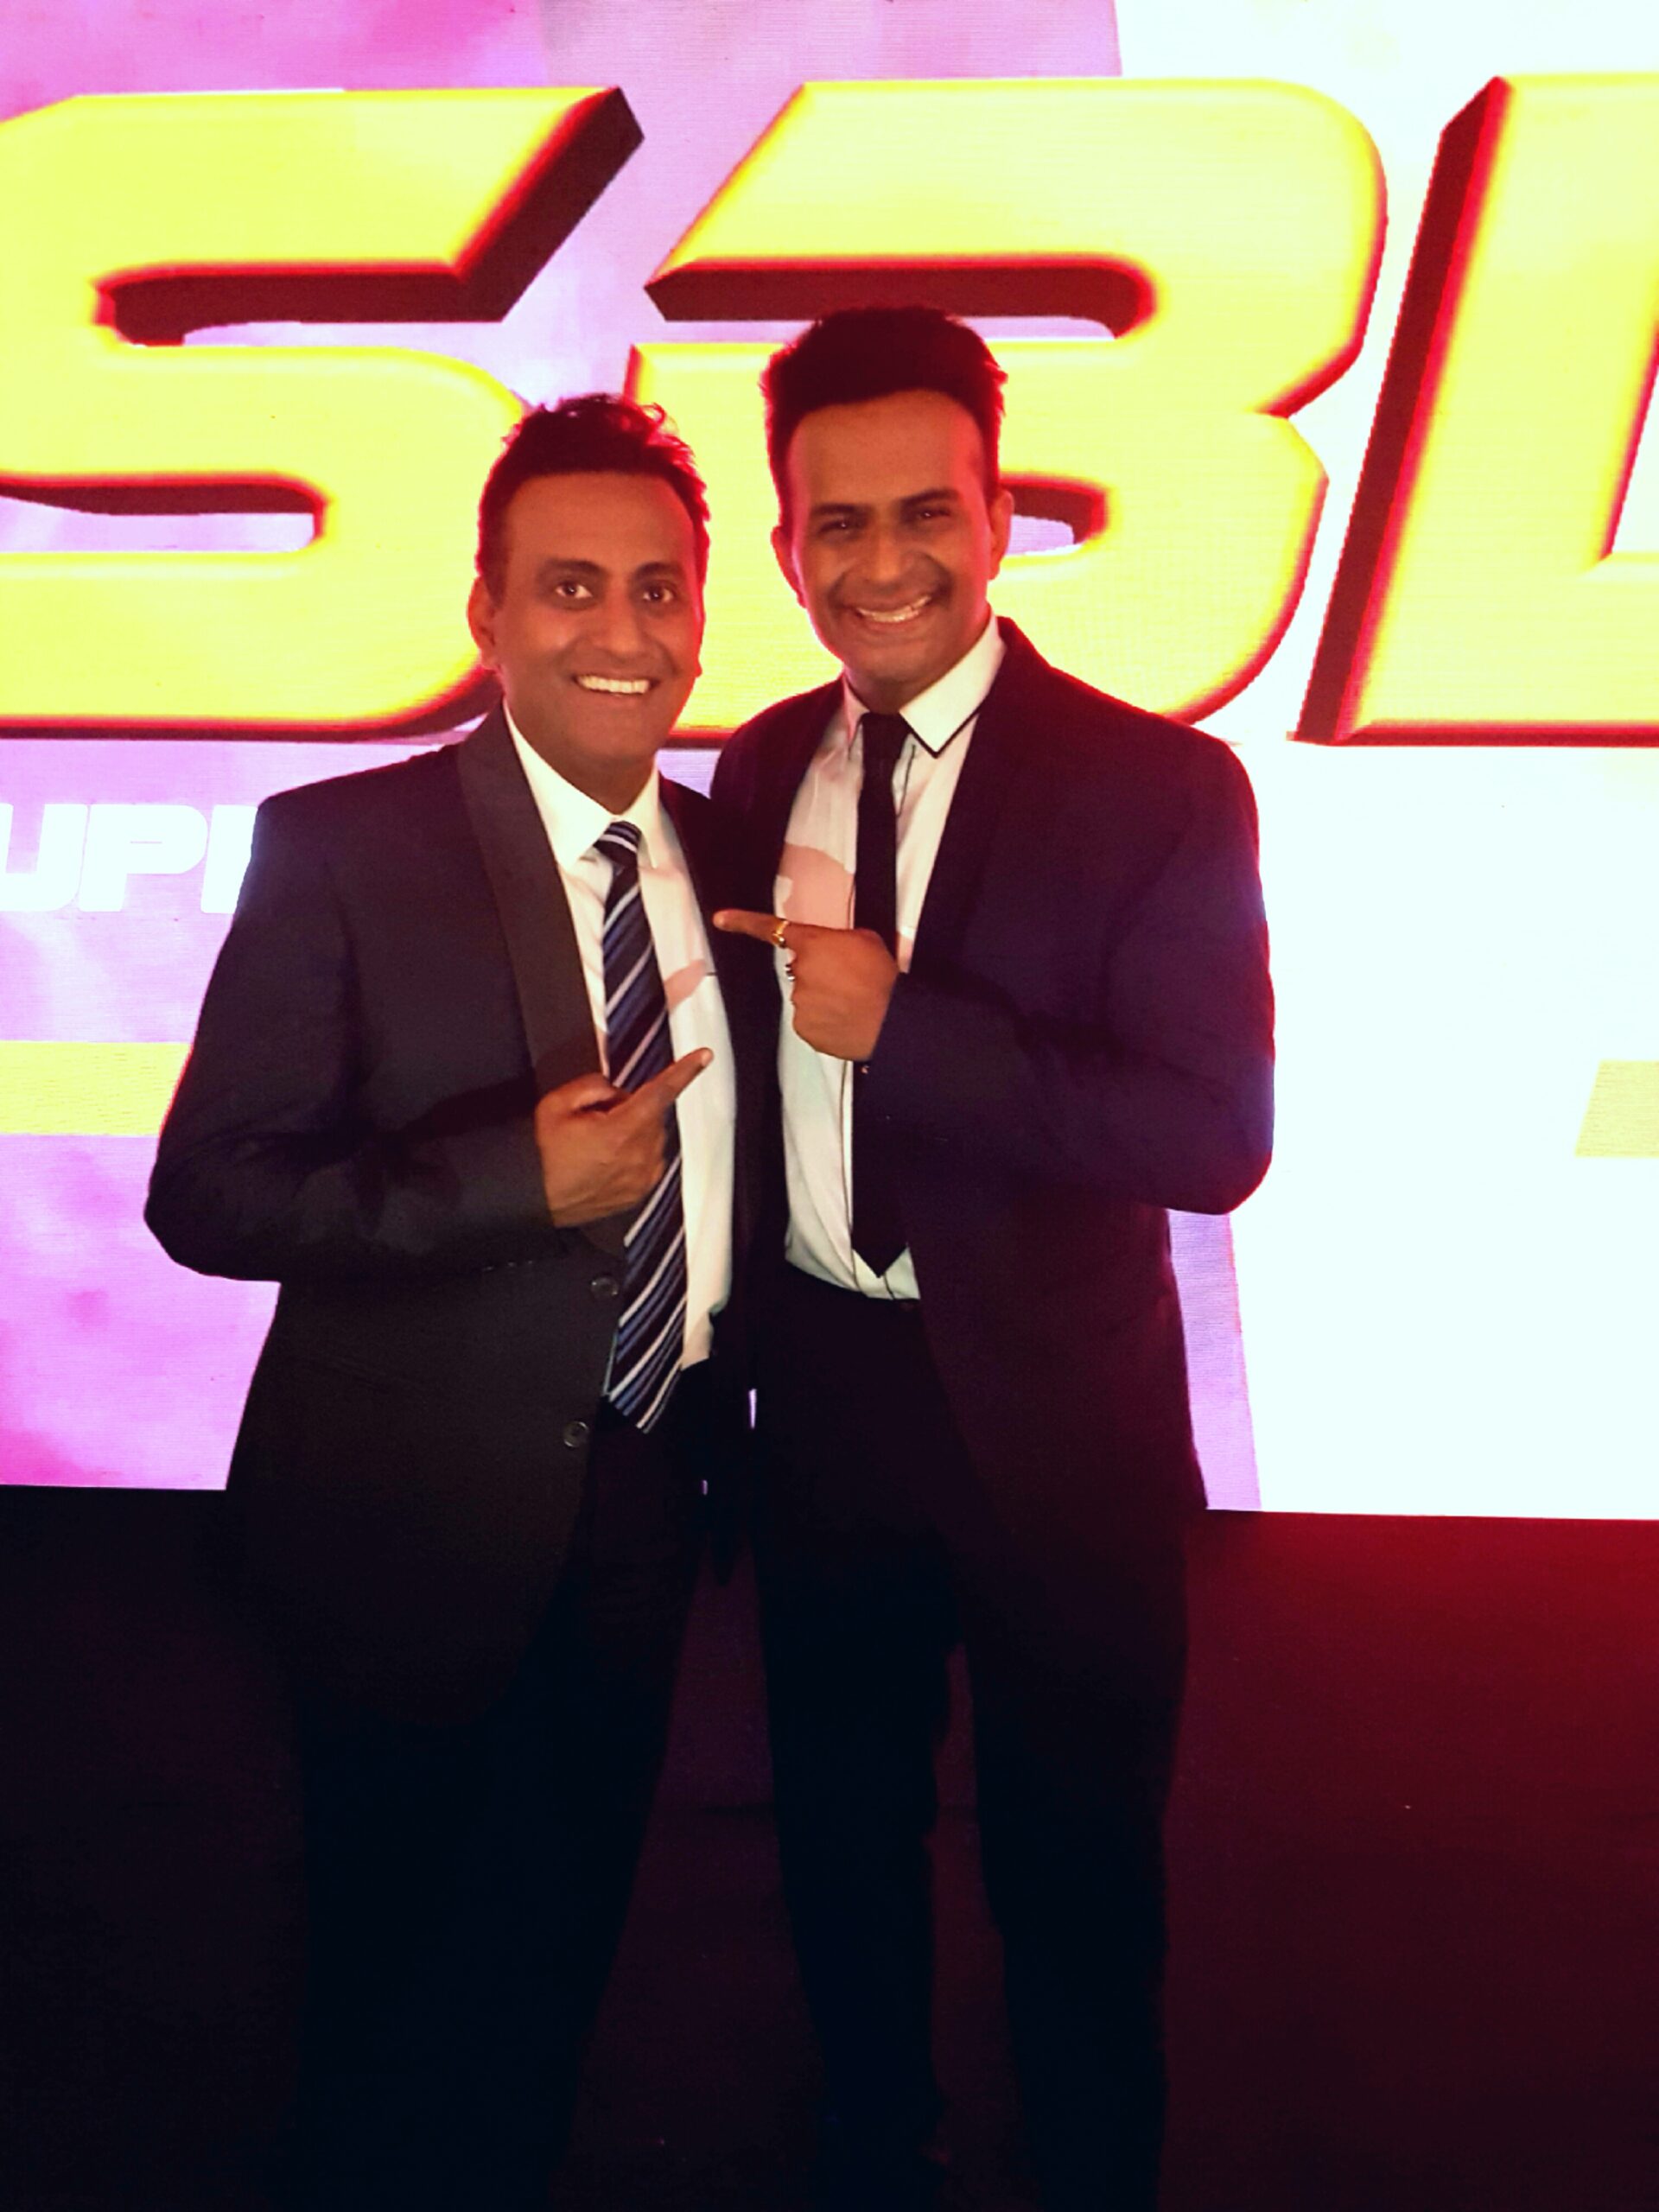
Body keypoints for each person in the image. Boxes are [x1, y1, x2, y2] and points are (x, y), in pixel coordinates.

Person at [146, 395, 761, 2212]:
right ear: (486, 611)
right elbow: (208, 1192)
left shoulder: (739, 862)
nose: (621, 630)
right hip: (399, 1521)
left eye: (658, 587)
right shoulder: (341, 846)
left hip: (649, 1496)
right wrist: (509, 1181)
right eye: (570, 585)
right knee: (377, 1980)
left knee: (568, 1962)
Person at [711, 307, 1274, 2212]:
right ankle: (877, 2148)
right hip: (824, 1406)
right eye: (837, 523)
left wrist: (912, 1029)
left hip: (1056, 1417)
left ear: (1001, 514)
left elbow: (1214, 1135)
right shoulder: (759, 764)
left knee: (1077, 1860)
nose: (883, 563)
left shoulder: (1158, 786)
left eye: (924, 513)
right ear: (787, 544)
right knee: (838, 1834)